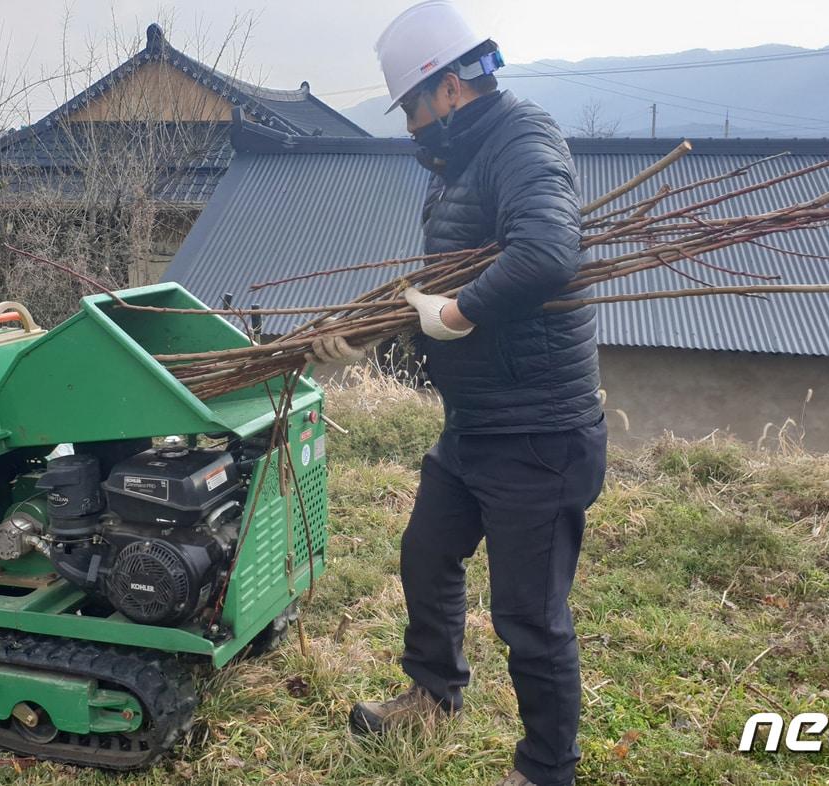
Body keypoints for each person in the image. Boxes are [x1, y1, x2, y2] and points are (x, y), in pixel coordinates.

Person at [307, 3, 609, 785]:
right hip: (476, 424)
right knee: (426, 554)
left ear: (446, 89)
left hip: (538, 433)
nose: (409, 125)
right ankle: (434, 694)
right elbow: (438, 306)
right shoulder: (456, 170)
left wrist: (455, 312)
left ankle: (547, 769)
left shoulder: (521, 139)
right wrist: (373, 340)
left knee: (529, 617)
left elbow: (547, 251)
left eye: (411, 105)